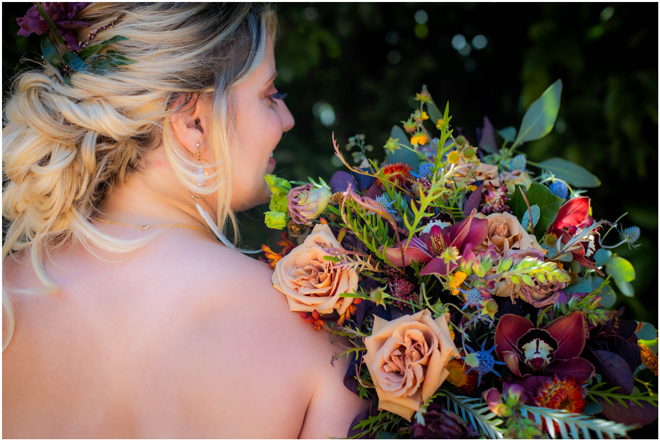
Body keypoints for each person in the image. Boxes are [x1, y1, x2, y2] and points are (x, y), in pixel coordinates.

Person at [2, 3, 367, 438]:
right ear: (193, 122)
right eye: (269, 95)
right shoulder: (318, 335)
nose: (286, 119)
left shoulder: (9, 299)